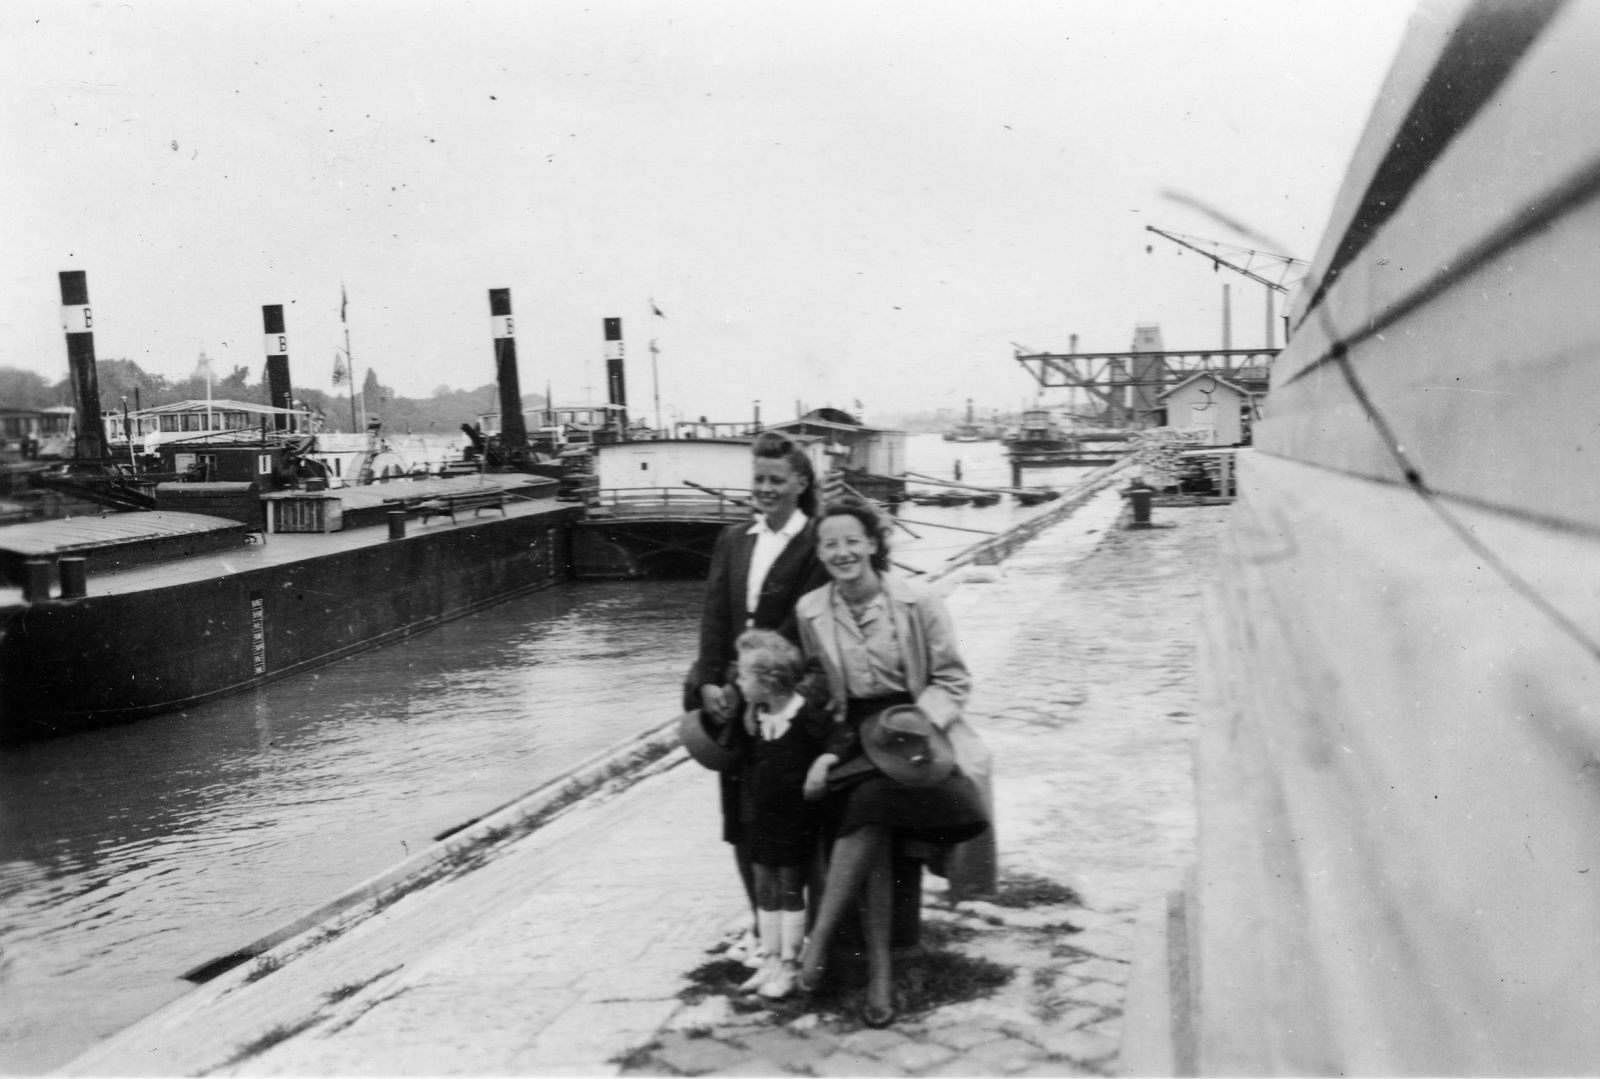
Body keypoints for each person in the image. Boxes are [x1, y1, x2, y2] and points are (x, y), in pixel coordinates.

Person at [794, 496, 992, 1027]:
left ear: (875, 543)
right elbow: (821, 689)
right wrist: (825, 749)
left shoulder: (917, 600)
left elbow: (954, 679)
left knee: (872, 806)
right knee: (867, 806)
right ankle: (879, 968)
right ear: (819, 551)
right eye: (830, 544)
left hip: (915, 731)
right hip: (852, 735)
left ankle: (822, 945)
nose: (842, 553)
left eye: (852, 541)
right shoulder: (811, 610)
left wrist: (919, 724)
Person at [691, 431, 830, 966]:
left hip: (777, 703)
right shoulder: (734, 539)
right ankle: (757, 924)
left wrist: (752, 685)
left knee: (778, 823)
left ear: (800, 482)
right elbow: (714, 616)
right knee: (738, 818)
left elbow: (800, 630)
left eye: (776, 480)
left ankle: (792, 940)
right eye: (759, 480)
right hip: (727, 697)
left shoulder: (813, 544)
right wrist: (709, 680)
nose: (766, 489)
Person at [731, 629, 834, 999]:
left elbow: (841, 737)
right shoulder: (758, 716)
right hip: (762, 820)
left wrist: (823, 761)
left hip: (795, 822)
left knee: (791, 890)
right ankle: (771, 957)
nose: (738, 683)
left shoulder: (803, 715)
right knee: (764, 888)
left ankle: (791, 962)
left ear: (769, 682)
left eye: (744, 677)